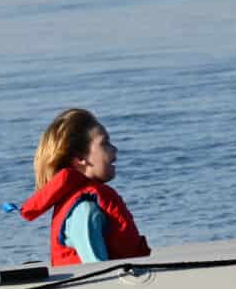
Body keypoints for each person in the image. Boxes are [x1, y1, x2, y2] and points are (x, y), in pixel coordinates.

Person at [14, 108, 151, 266]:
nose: (115, 149)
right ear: (80, 158)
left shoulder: (85, 202)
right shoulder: (84, 210)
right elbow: (97, 272)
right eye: (105, 143)